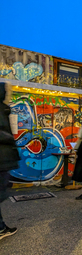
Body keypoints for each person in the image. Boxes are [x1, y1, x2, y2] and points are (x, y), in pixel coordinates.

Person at [0, 82, 20, 240]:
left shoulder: (4, 110)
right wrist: (10, 138)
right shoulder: (1, 110)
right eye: (8, 93)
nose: (10, 96)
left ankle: (1, 228)